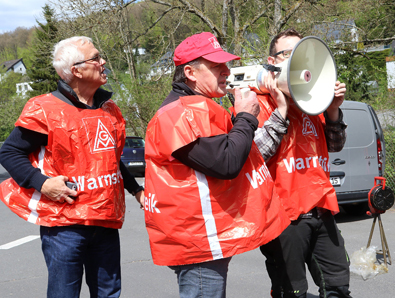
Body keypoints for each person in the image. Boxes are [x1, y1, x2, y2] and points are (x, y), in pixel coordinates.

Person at [143, 31, 290, 298]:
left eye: (226, 64)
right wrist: (246, 117)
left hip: (204, 237)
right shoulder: (179, 114)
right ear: (190, 72)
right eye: (216, 66)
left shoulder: (197, 107)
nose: (227, 71)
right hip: (197, 241)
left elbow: (246, 153)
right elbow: (228, 163)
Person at [0, 36, 144, 298]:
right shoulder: (44, 108)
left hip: (105, 220)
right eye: (96, 58)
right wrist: (41, 182)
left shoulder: (109, 109)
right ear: (76, 70)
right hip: (64, 226)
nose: (103, 62)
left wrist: (136, 190)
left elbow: (111, 158)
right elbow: (9, 152)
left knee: (109, 293)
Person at [252, 28, 351, 298]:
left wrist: (332, 110)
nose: (297, 59)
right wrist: (281, 110)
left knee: (337, 287)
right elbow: (252, 157)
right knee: (292, 292)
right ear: (272, 62)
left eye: (301, 53)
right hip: (283, 218)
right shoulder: (257, 104)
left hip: (321, 209)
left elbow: (335, 145)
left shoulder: (312, 100)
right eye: (288, 54)